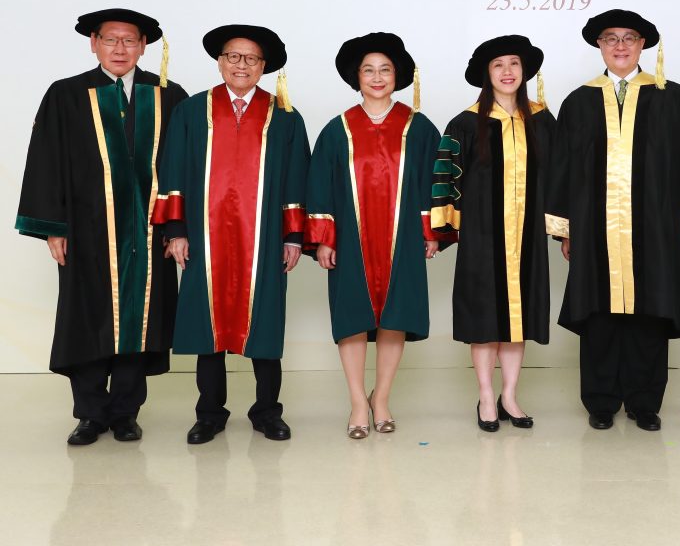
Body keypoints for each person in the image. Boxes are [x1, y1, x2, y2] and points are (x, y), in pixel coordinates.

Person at [546, 9, 680, 431]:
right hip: (595, 230)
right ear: (599, 46)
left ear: (644, 44)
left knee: (649, 312)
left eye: (629, 38)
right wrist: (566, 230)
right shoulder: (579, 102)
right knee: (600, 314)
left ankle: (645, 402)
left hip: (655, 228)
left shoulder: (673, 97)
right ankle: (601, 401)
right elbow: (562, 170)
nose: (621, 45)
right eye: (611, 38)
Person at [16, 8, 186, 445]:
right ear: (93, 43)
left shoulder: (167, 95)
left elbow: (185, 168)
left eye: (130, 41)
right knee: (88, 317)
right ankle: (90, 413)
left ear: (143, 46)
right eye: (110, 40)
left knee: (139, 320)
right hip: (86, 231)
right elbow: (46, 161)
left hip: (149, 232)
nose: (120, 49)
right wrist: (53, 227)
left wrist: (176, 226)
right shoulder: (68, 94)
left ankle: (126, 412)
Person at [153, 25, 310, 444]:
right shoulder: (190, 111)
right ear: (220, 61)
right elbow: (172, 171)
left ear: (264, 67)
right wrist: (177, 230)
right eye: (234, 57)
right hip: (206, 239)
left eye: (252, 59)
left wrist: (294, 237)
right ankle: (209, 413)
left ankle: (267, 411)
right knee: (208, 323)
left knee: (265, 322)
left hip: (264, 239)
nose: (242, 65)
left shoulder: (285, 115)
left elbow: (298, 179)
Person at [306, 33, 446, 439]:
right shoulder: (338, 130)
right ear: (356, 76)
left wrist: (431, 232)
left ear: (397, 75)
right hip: (351, 240)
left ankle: (381, 398)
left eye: (385, 69)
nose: (377, 76)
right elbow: (321, 186)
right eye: (368, 69)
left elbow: (432, 183)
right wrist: (324, 237)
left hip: (401, 240)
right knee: (352, 319)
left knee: (394, 319)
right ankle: (356, 403)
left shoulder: (418, 128)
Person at [432, 35, 556, 432]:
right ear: (487, 74)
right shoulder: (465, 123)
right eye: (498, 64)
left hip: (527, 239)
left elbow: (560, 179)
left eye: (514, 64)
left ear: (524, 71)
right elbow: (445, 180)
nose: (507, 72)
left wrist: (564, 229)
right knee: (484, 317)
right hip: (481, 240)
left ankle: (510, 395)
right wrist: (442, 231)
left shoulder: (541, 119)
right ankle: (487, 396)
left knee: (517, 320)